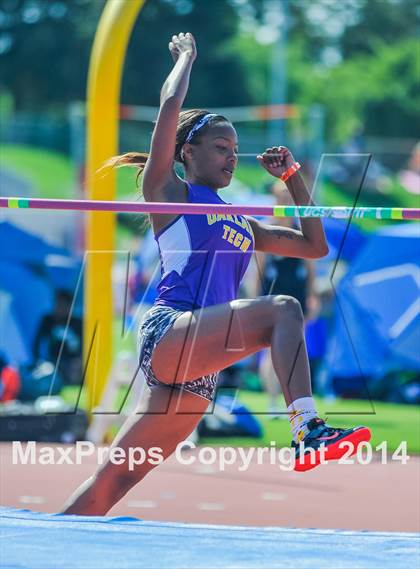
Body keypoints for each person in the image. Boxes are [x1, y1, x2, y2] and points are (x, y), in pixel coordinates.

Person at [62, 32, 371, 515]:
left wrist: (293, 179)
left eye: (236, 148)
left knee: (113, 480)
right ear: (188, 151)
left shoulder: (239, 221)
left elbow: (315, 245)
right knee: (283, 309)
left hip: (199, 371)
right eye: (221, 147)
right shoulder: (168, 193)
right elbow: (169, 107)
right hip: (171, 333)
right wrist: (186, 57)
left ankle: (55, 544)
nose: (232, 156)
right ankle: (307, 428)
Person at [257, 183, 319, 417]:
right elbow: (259, 270)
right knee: (270, 351)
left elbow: (310, 267)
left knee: (294, 352)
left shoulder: (300, 229)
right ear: (274, 199)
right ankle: (272, 401)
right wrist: (254, 298)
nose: (285, 200)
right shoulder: (265, 228)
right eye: (281, 196)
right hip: (272, 294)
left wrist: (312, 297)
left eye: (288, 197)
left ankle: (292, 404)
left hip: (296, 296)